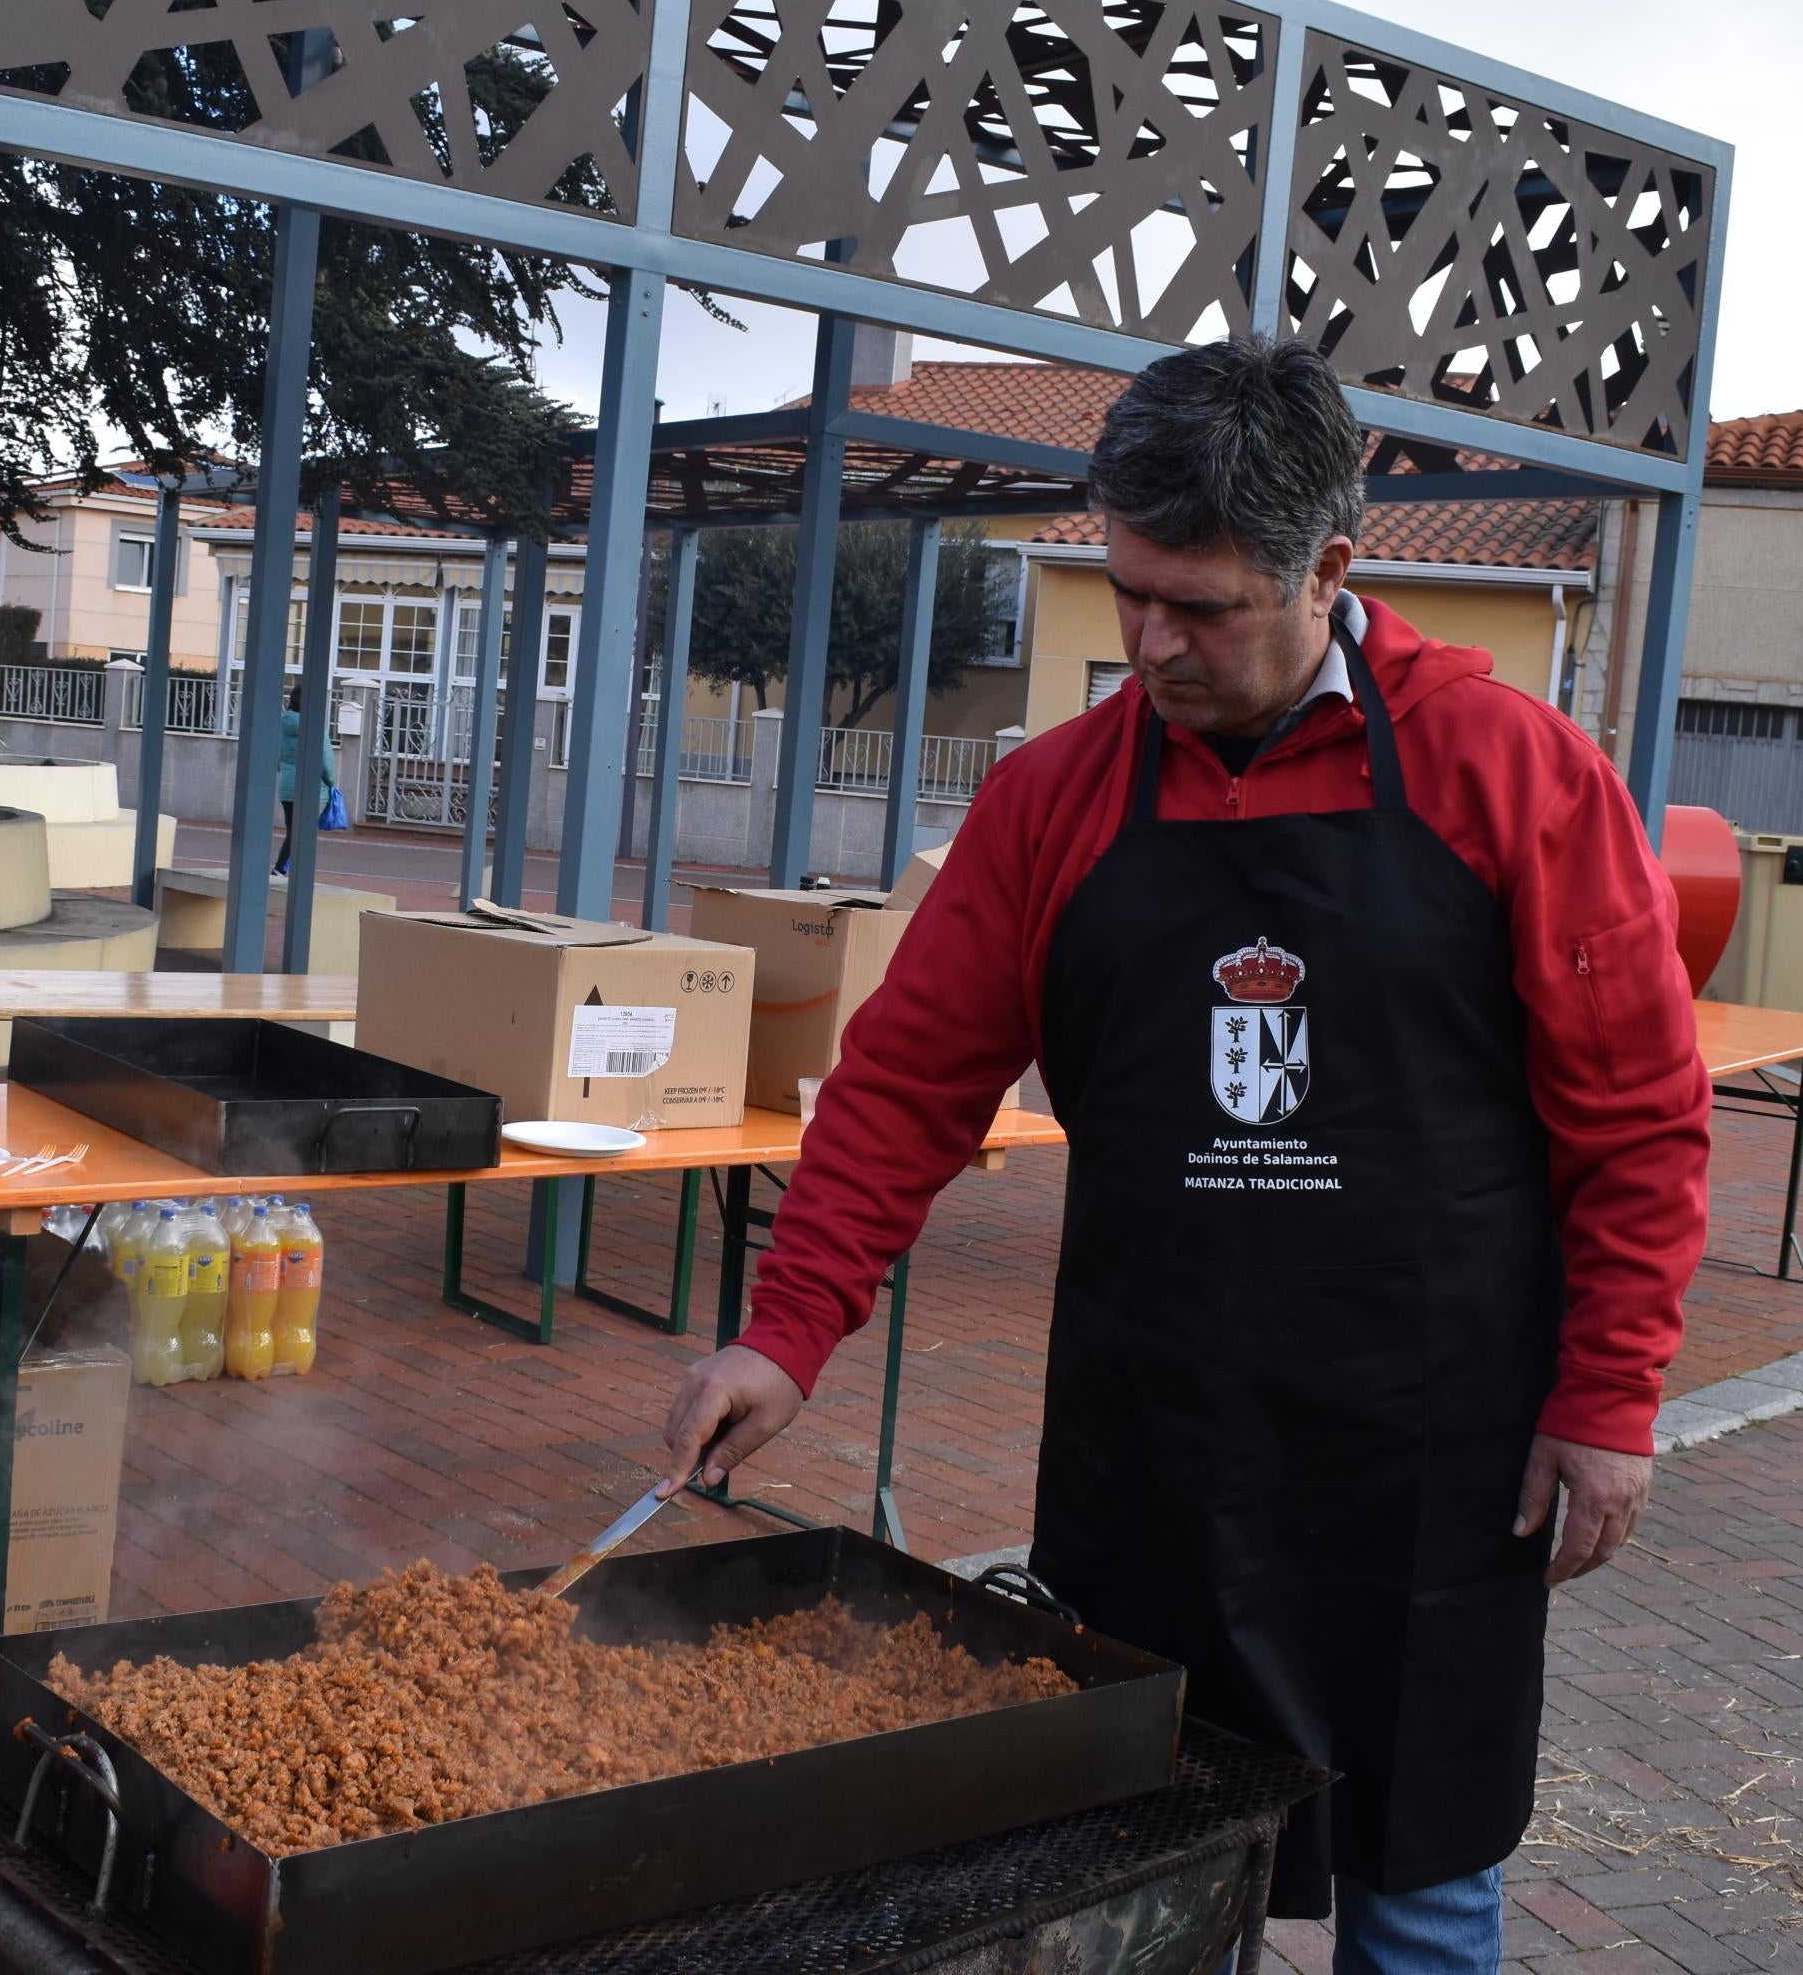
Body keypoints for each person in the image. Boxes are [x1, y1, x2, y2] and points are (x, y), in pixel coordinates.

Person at [657, 336, 1712, 1973]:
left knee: (1419, 1868)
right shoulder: (1052, 799)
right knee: (1131, 1866)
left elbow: (1638, 1118)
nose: (1148, 642)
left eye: (1200, 608)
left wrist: (1609, 1397)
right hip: (1153, 1442)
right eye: (1127, 588)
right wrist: (788, 1327)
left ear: (1331, 571)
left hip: (1430, 1454)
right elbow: (902, 1087)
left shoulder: (1512, 777)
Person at [274, 703, 336, 875]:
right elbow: (326, 760)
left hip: (286, 785)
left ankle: (288, 867)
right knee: (301, 830)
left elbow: (276, 754)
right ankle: (281, 868)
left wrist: (285, 771)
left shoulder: (282, 725)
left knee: (293, 829)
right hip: (308, 786)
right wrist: (331, 782)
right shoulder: (314, 726)